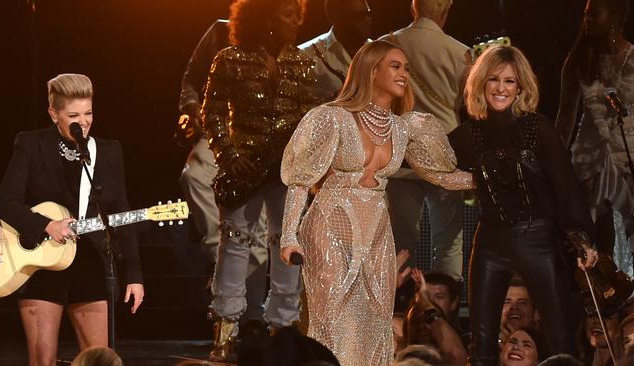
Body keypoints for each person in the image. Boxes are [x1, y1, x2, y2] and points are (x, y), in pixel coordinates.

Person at [279, 40, 474, 366]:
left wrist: (489, 180)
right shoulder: (333, 118)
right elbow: (300, 180)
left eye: (407, 69)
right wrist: (288, 236)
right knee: (330, 315)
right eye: (396, 66)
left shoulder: (404, 127)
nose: (404, 74)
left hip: (376, 230)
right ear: (371, 70)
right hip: (331, 223)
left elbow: (442, 176)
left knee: (375, 317)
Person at [448, 45, 599, 365]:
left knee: (560, 338)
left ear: (521, 87)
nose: (501, 88)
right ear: (481, 83)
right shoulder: (468, 135)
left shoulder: (536, 127)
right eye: (493, 80)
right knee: (482, 344)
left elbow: (565, 183)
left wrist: (581, 234)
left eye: (509, 81)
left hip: (538, 240)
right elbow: (431, 161)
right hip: (489, 240)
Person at [0, 73, 144, 365]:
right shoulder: (31, 144)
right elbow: (6, 202)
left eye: (88, 112)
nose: (84, 121)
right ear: (54, 114)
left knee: (98, 360)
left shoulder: (109, 151)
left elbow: (121, 214)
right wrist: (46, 225)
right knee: (43, 360)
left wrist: (135, 275)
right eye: (73, 114)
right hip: (41, 265)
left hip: (90, 262)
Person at [201, 0, 314, 361]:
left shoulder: (301, 62)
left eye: (298, 16)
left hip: (287, 170)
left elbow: (308, 118)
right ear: (263, 15)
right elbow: (212, 113)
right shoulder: (229, 59)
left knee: (287, 245)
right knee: (235, 245)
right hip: (243, 169)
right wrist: (230, 157)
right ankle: (226, 331)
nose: (295, 23)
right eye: (287, 15)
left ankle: (283, 329)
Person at [177, 18, 269, 334]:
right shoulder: (219, 30)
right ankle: (222, 259)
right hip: (218, 133)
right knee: (194, 174)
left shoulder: (283, 38)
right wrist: (192, 107)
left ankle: (250, 321)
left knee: (256, 229)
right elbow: (191, 78)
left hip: (261, 143)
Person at [380, 0, 469, 280]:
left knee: (401, 242)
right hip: (444, 156)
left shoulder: (386, 44)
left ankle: (401, 309)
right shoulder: (460, 52)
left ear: (413, 8)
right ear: (446, 10)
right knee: (448, 244)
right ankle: (446, 309)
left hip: (400, 155)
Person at [556, 0, 634, 275]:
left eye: (594, 14)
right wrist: (554, 170)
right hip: (588, 164)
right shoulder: (579, 60)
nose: (588, 20)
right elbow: (564, 121)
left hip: (632, 160)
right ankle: (600, 310)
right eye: (585, 15)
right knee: (593, 243)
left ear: (616, 16)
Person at [298, 0, 372, 102]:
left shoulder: (381, 53)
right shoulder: (305, 54)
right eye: (360, 15)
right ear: (336, 17)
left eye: (369, 14)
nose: (368, 19)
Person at [500, 276, 540, 344]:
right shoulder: (483, 345)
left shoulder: (551, 350)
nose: (514, 307)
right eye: (507, 302)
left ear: (536, 314)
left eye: (522, 302)